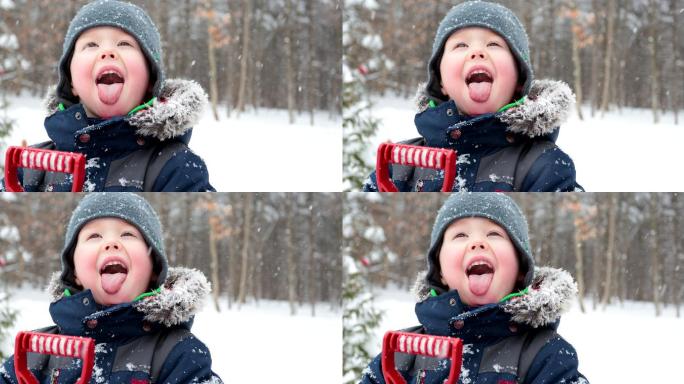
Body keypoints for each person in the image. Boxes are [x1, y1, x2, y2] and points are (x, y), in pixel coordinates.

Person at [361, 193, 588, 383]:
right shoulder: (400, 355)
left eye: (494, 234)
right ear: (439, 270)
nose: (477, 243)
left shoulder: (546, 356)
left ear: (521, 268)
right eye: (460, 235)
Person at [0, 193, 222, 383]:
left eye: (128, 234)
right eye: (94, 236)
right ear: (74, 272)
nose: (111, 243)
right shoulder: (36, 354)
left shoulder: (178, 354)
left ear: (154, 268)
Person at [364, 1, 582, 192]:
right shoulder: (400, 165)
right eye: (460, 45)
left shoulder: (544, 165)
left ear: (519, 81)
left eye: (494, 44)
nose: (477, 52)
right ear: (441, 81)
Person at [2, 0, 214, 192]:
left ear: (150, 80)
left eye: (124, 44)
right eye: (91, 45)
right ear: (72, 83)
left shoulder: (175, 167)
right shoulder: (30, 168)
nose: (107, 52)